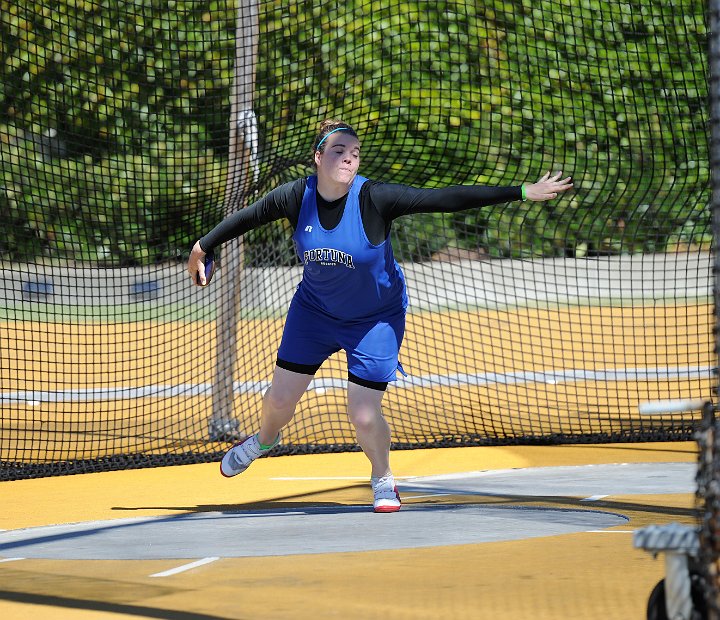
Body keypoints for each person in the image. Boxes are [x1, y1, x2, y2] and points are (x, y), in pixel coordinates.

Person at [188, 119, 573, 513]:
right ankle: (263, 441)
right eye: (338, 151)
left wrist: (522, 191)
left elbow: (443, 198)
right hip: (314, 312)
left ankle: (383, 477)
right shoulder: (294, 196)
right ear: (318, 157)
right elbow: (248, 217)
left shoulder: (374, 198)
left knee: (364, 414)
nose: (348, 158)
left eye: (354, 153)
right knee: (278, 400)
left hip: (374, 319)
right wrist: (203, 246)